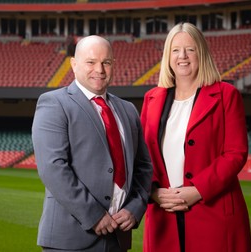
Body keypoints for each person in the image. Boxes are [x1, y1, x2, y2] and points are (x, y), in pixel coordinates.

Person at [32, 35, 153, 252]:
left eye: (106, 62)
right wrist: (94, 215)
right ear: (74, 64)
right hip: (70, 240)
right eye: (91, 62)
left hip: (118, 237)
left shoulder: (128, 110)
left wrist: (135, 208)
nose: (100, 69)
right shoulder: (53, 103)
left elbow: (144, 167)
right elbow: (53, 167)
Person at [140, 22, 251, 252]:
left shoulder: (226, 95)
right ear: (168, 56)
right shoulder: (151, 98)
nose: (182, 56)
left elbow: (235, 153)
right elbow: (142, 157)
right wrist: (153, 192)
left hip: (214, 211)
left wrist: (198, 190)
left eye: (190, 49)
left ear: (201, 53)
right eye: (175, 50)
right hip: (164, 212)